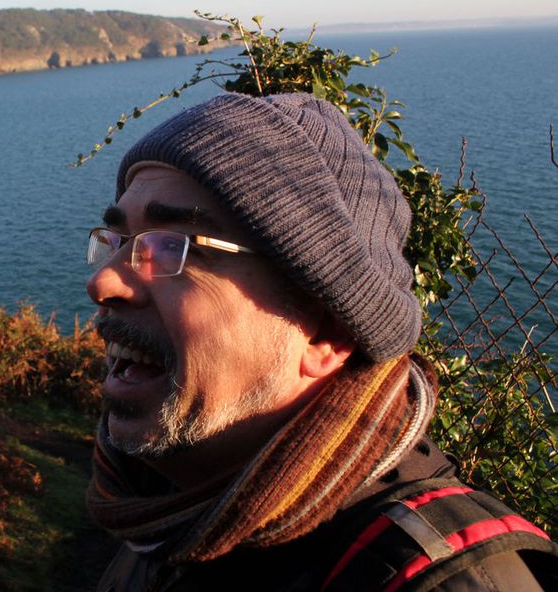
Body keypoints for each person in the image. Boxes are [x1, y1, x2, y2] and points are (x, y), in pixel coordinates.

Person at [83, 93, 557, 591]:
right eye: (120, 242)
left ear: (326, 331)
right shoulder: (159, 505)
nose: (103, 283)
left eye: (171, 247)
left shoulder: (435, 580)